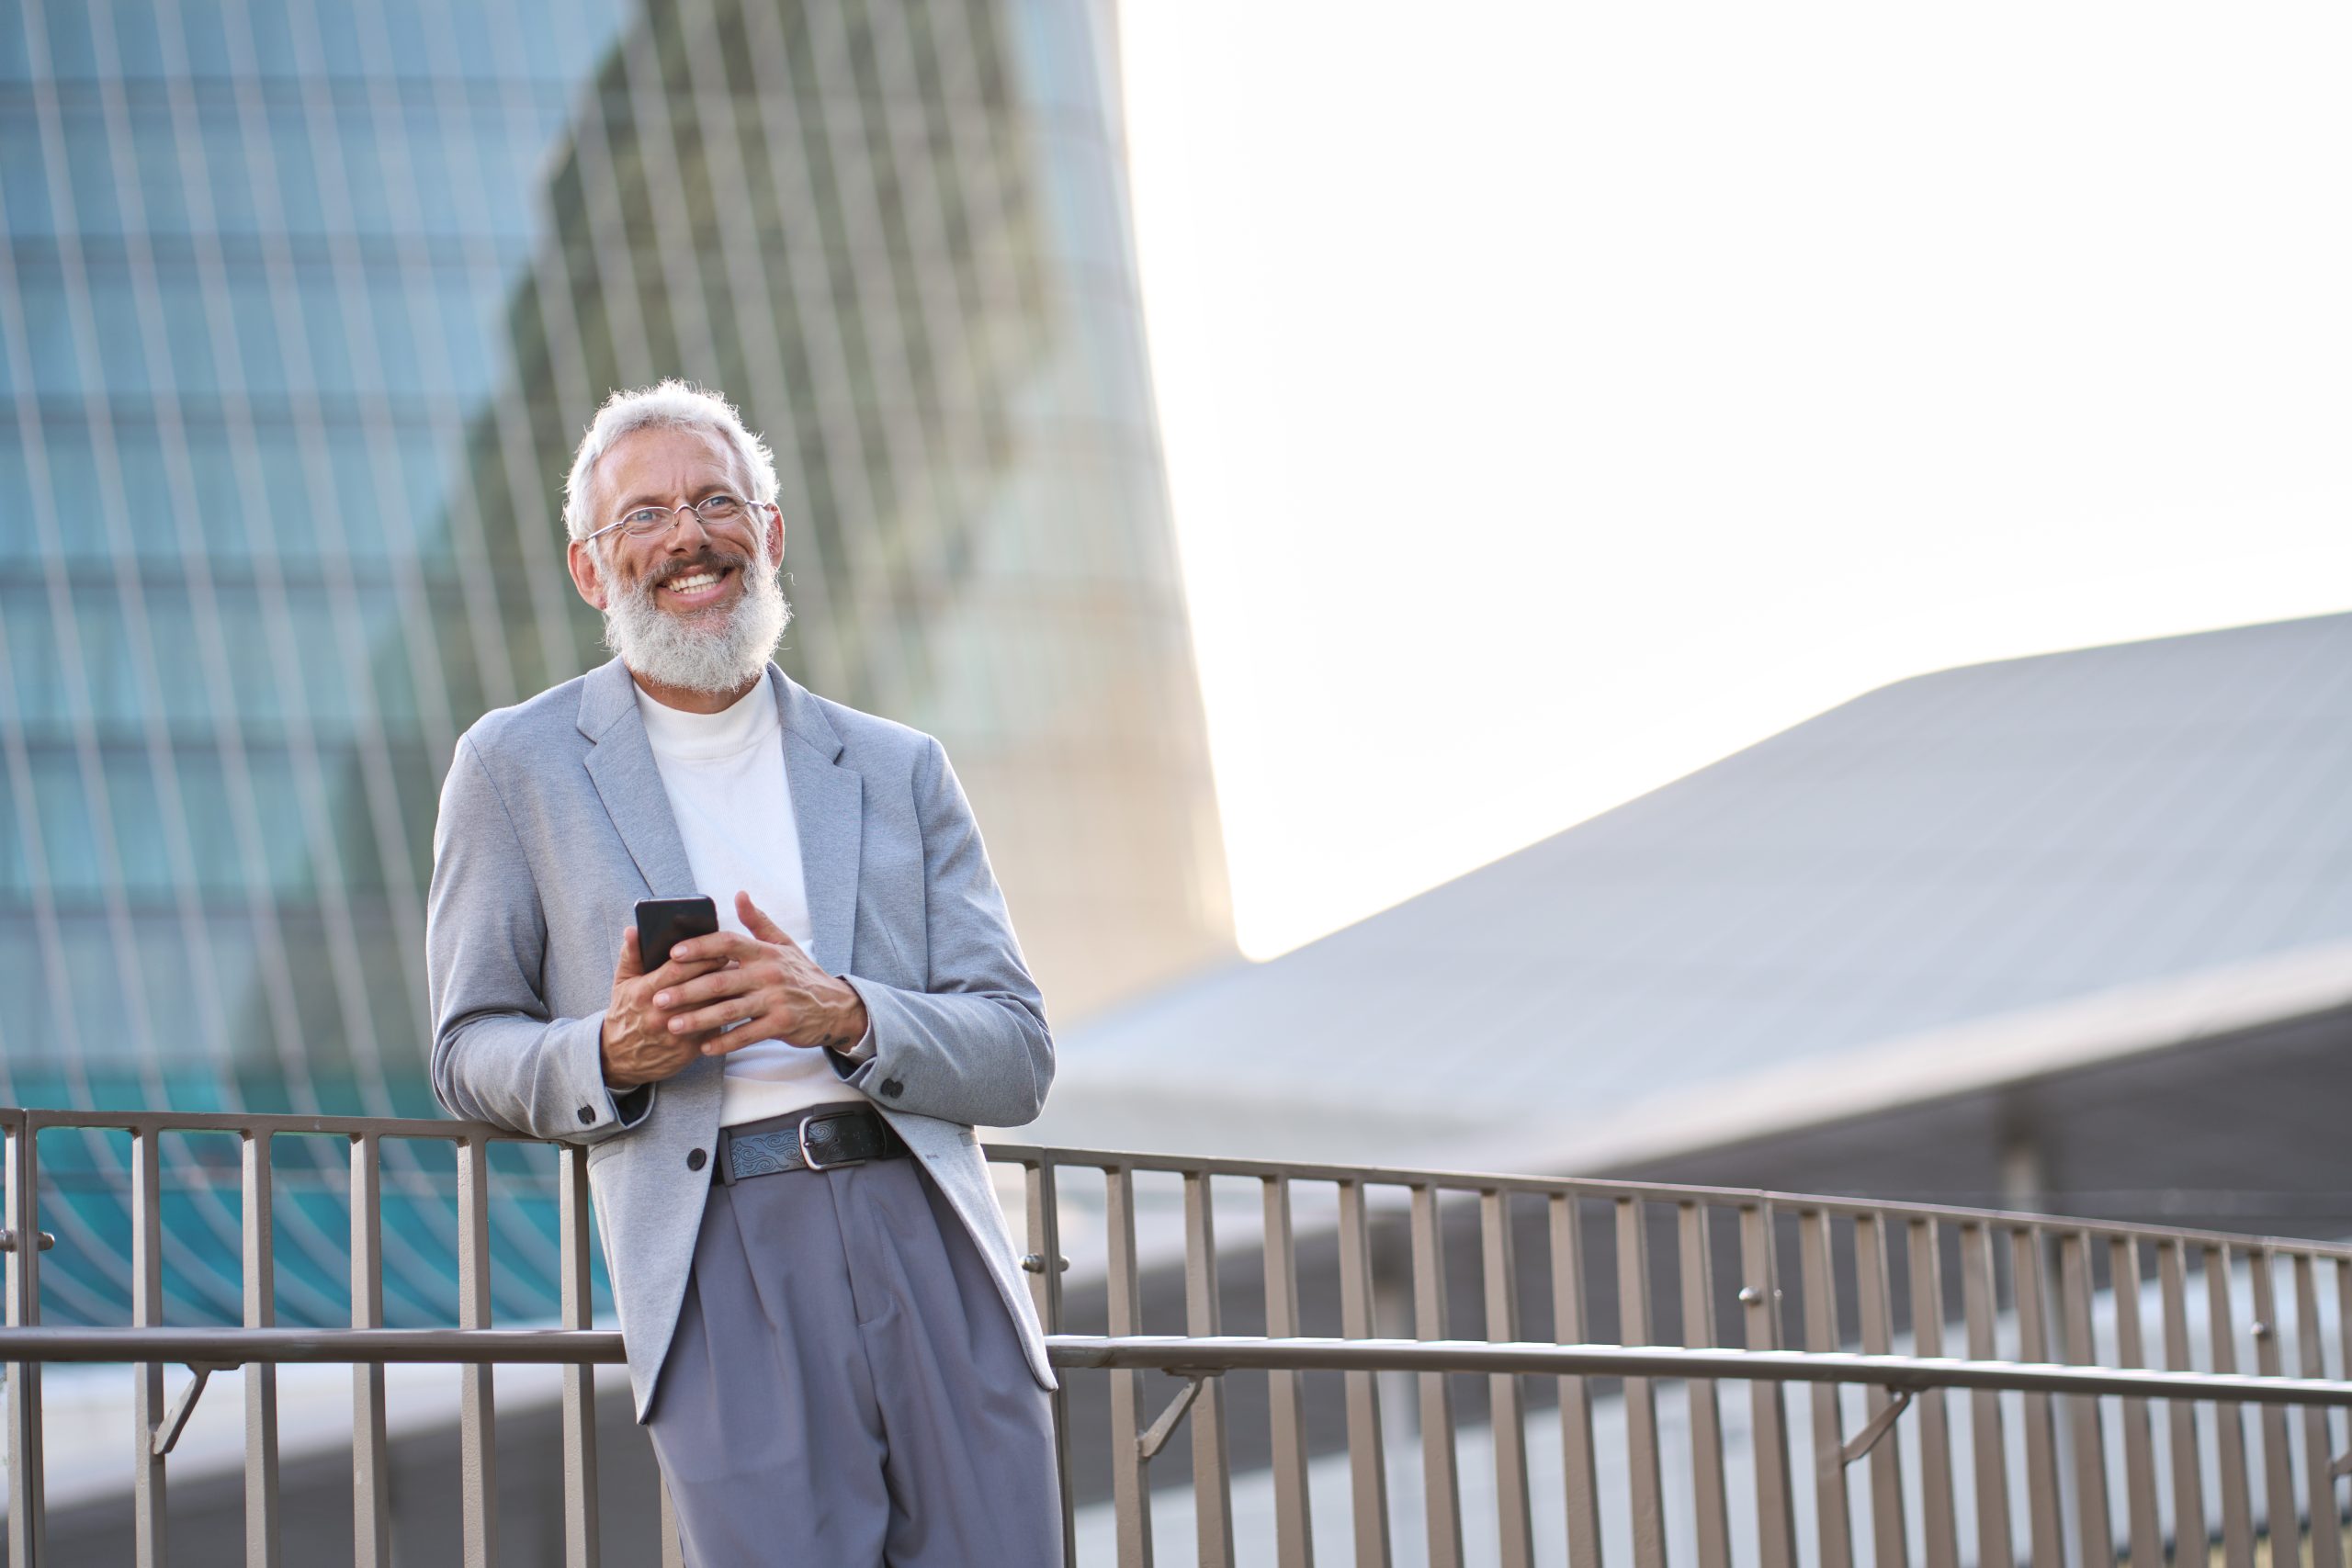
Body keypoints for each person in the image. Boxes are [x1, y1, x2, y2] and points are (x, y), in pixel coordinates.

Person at [426, 380, 1061, 1564]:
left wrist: (845, 1010)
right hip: (716, 1251)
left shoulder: (897, 767)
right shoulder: (512, 766)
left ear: (768, 534)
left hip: (932, 1236)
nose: (688, 536)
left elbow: (1019, 1049)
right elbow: (466, 1050)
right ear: (590, 569)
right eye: (645, 516)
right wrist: (610, 1053)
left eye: (717, 500)